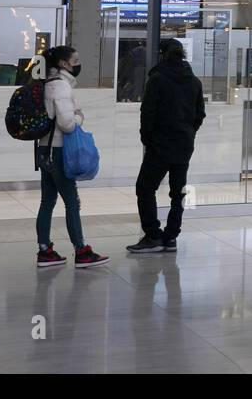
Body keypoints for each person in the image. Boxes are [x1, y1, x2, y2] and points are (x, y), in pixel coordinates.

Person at [127, 38, 207, 254]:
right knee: (178, 192)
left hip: (160, 144)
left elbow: (148, 112)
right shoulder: (195, 82)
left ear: (162, 54)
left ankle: (153, 235)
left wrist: (147, 138)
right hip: (184, 144)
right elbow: (200, 114)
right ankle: (171, 237)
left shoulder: (157, 79)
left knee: (145, 188)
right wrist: (189, 132)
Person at [35, 45, 109, 268]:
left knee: (47, 202)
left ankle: (44, 250)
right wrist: (79, 117)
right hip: (58, 151)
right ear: (64, 64)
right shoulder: (61, 87)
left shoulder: (46, 83)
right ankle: (81, 251)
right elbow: (66, 125)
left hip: (44, 149)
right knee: (72, 203)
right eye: (75, 60)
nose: (78, 64)